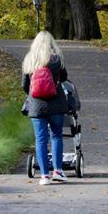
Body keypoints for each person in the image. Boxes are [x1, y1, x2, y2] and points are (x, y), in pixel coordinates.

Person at [22, 31, 69, 186]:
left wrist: (35, 93)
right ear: (51, 43)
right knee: (56, 136)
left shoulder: (30, 60)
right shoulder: (56, 59)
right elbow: (63, 78)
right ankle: (58, 171)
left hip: (37, 105)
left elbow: (24, 85)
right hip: (56, 104)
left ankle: (44, 176)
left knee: (41, 140)